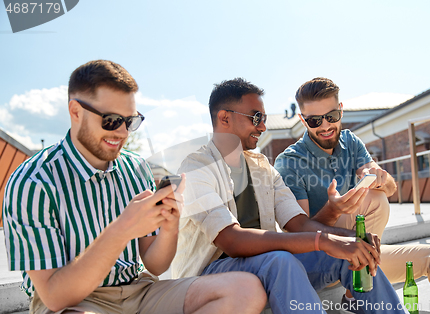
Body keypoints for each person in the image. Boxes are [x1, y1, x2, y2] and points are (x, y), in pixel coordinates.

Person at [2, 60, 266, 314]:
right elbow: (55, 296)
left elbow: (154, 263)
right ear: (75, 112)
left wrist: (169, 227)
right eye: (111, 120)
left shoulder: (135, 167)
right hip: (75, 303)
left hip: (138, 292)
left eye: (130, 121)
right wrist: (121, 229)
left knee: (246, 290)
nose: (123, 133)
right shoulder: (33, 182)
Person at [171, 77, 410, 314]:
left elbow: (299, 223)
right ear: (224, 117)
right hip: (210, 277)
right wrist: (323, 240)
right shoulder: (195, 168)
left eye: (263, 119)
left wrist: (350, 236)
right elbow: (232, 241)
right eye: (256, 118)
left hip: (269, 266)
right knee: (281, 260)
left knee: (352, 252)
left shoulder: (263, 168)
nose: (263, 127)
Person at [274, 77, 430, 314]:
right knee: (372, 199)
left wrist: (380, 177)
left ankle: (354, 291)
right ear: (302, 120)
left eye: (331, 116)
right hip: (323, 260)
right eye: (314, 120)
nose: (325, 126)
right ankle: (355, 288)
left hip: (361, 259)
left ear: (341, 110)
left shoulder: (350, 142)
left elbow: (390, 190)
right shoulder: (289, 162)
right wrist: (334, 209)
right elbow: (299, 232)